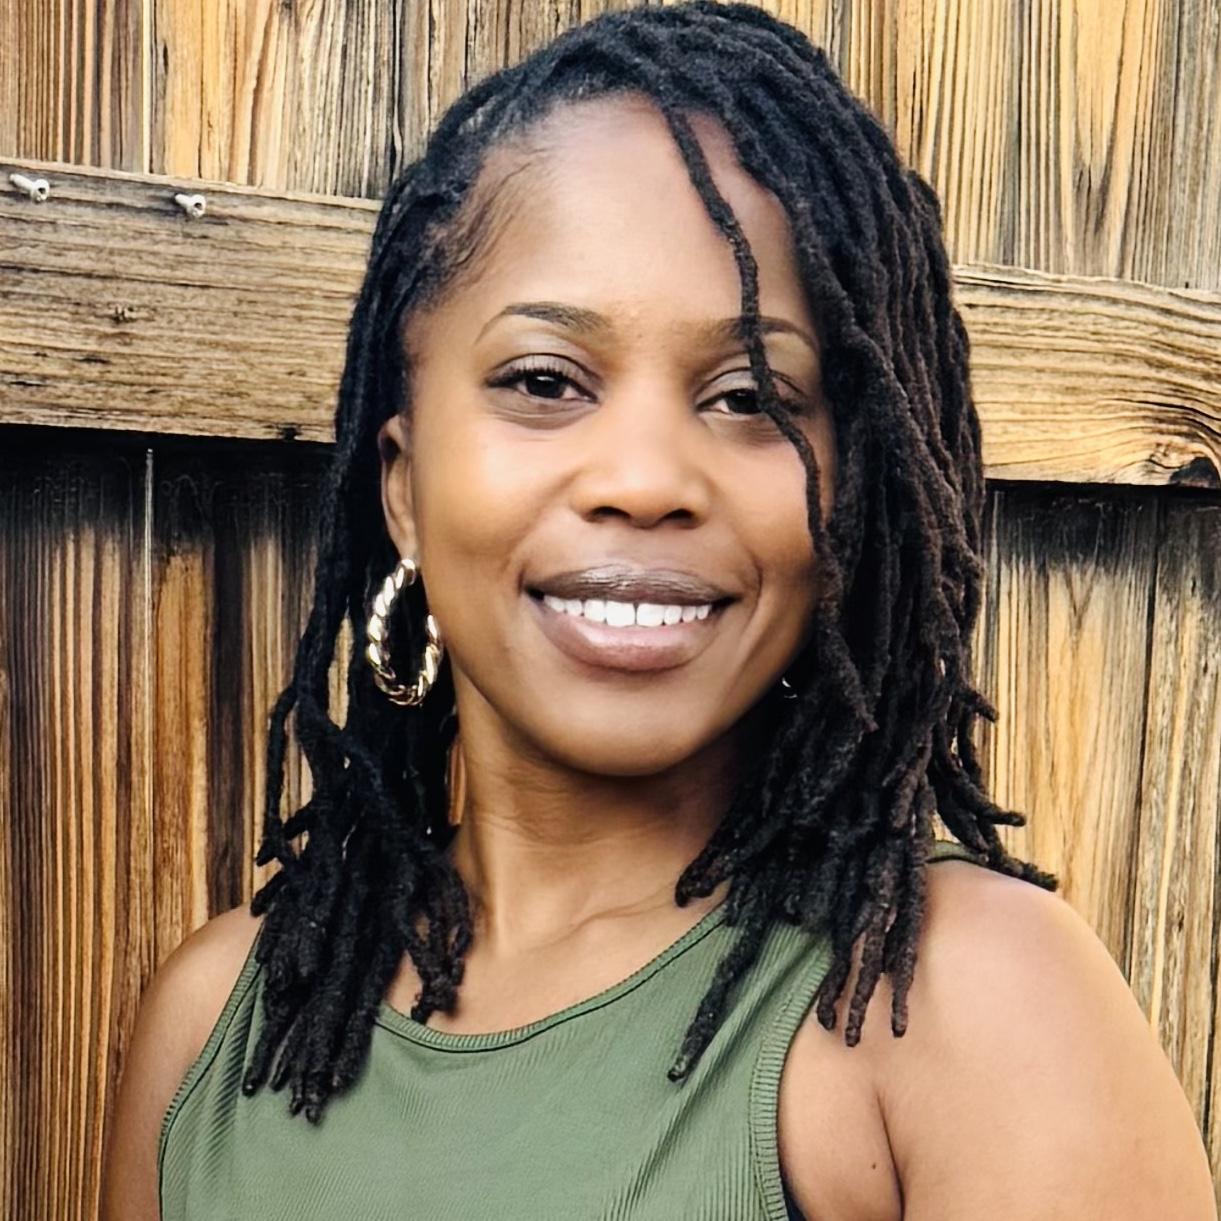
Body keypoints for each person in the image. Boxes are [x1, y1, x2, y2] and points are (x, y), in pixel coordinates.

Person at [101, 3, 1216, 1218]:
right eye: (544, 381)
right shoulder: (218, 1026)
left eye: (750, 398)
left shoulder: (959, 1008)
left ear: (850, 500)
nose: (643, 481)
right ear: (404, 491)